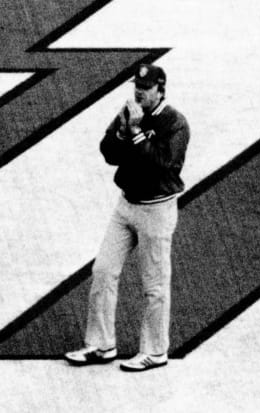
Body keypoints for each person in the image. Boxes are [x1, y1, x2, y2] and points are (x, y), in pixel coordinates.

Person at [64, 64, 190, 371]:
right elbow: (108, 151)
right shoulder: (129, 111)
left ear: (161, 89)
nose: (139, 91)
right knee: (103, 270)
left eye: (146, 87)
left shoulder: (175, 123)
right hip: (126, 205)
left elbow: (162, 165)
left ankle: (155, 351)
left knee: (154, 285)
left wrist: (134, 132)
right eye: (137, 85)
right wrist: (123, 131)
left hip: (156, 210)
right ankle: (101, 344)